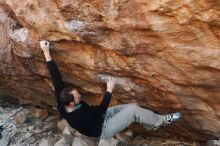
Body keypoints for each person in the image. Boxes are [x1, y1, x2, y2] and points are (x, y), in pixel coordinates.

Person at [40, 40, 182, 140]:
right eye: (77, 97)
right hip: (103, 129)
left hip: (101, 117)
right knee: (133, 112)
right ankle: (163, 120)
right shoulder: (79, 117)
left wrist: (46, 52)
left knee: (134, 107)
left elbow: (56, 78)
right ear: (71, 103)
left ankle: (152, 125)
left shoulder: (62, 98)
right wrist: (109, 90)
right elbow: (101, 110)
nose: (80, 96)